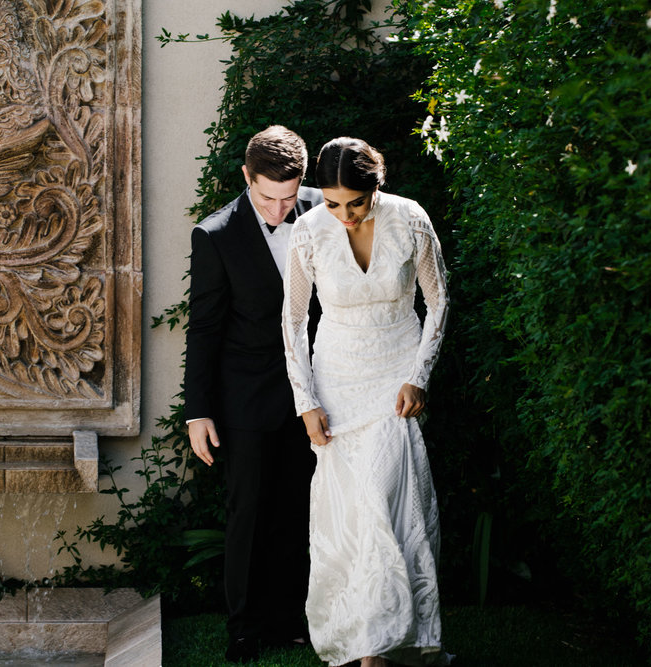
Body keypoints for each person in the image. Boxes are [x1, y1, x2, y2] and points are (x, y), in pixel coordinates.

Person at [282, 137, 451, 667]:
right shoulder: (309, 230)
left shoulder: (410, 220)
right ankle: (364, 637)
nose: (345, 215)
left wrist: (420, 375)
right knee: (351, 511)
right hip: (337, 377)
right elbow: (292, 319)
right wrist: (305, 401)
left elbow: (439, 296)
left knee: (386, 498)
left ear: (377, 187)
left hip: (394, 375)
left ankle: (380, 650)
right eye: (333, 203)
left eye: (356, 202)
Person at [184, 125, 323, 663]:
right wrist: (198, 411)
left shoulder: (322, 210)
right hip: (246, 396)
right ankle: (243, 627)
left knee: (299, 509)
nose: (278, 208)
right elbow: (204, 327)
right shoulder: (216, 234)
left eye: (288, 197)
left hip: (316, 390)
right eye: (267, 196)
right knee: (248, 513)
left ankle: (292, 620)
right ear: (247, 177)